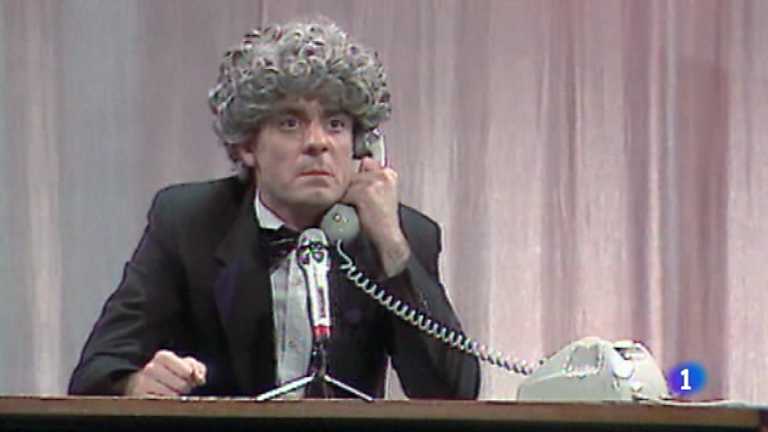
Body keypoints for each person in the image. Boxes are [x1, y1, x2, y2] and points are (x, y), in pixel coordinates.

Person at [68, 17, 480, 399]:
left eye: (336, 124)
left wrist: (391, 246)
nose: (317, 142)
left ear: (361, 146)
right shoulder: (187, 223)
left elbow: (454, 393)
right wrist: (136, 384)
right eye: (290, 123)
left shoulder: (401, 234)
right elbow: (94, 374)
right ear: (248, 146)